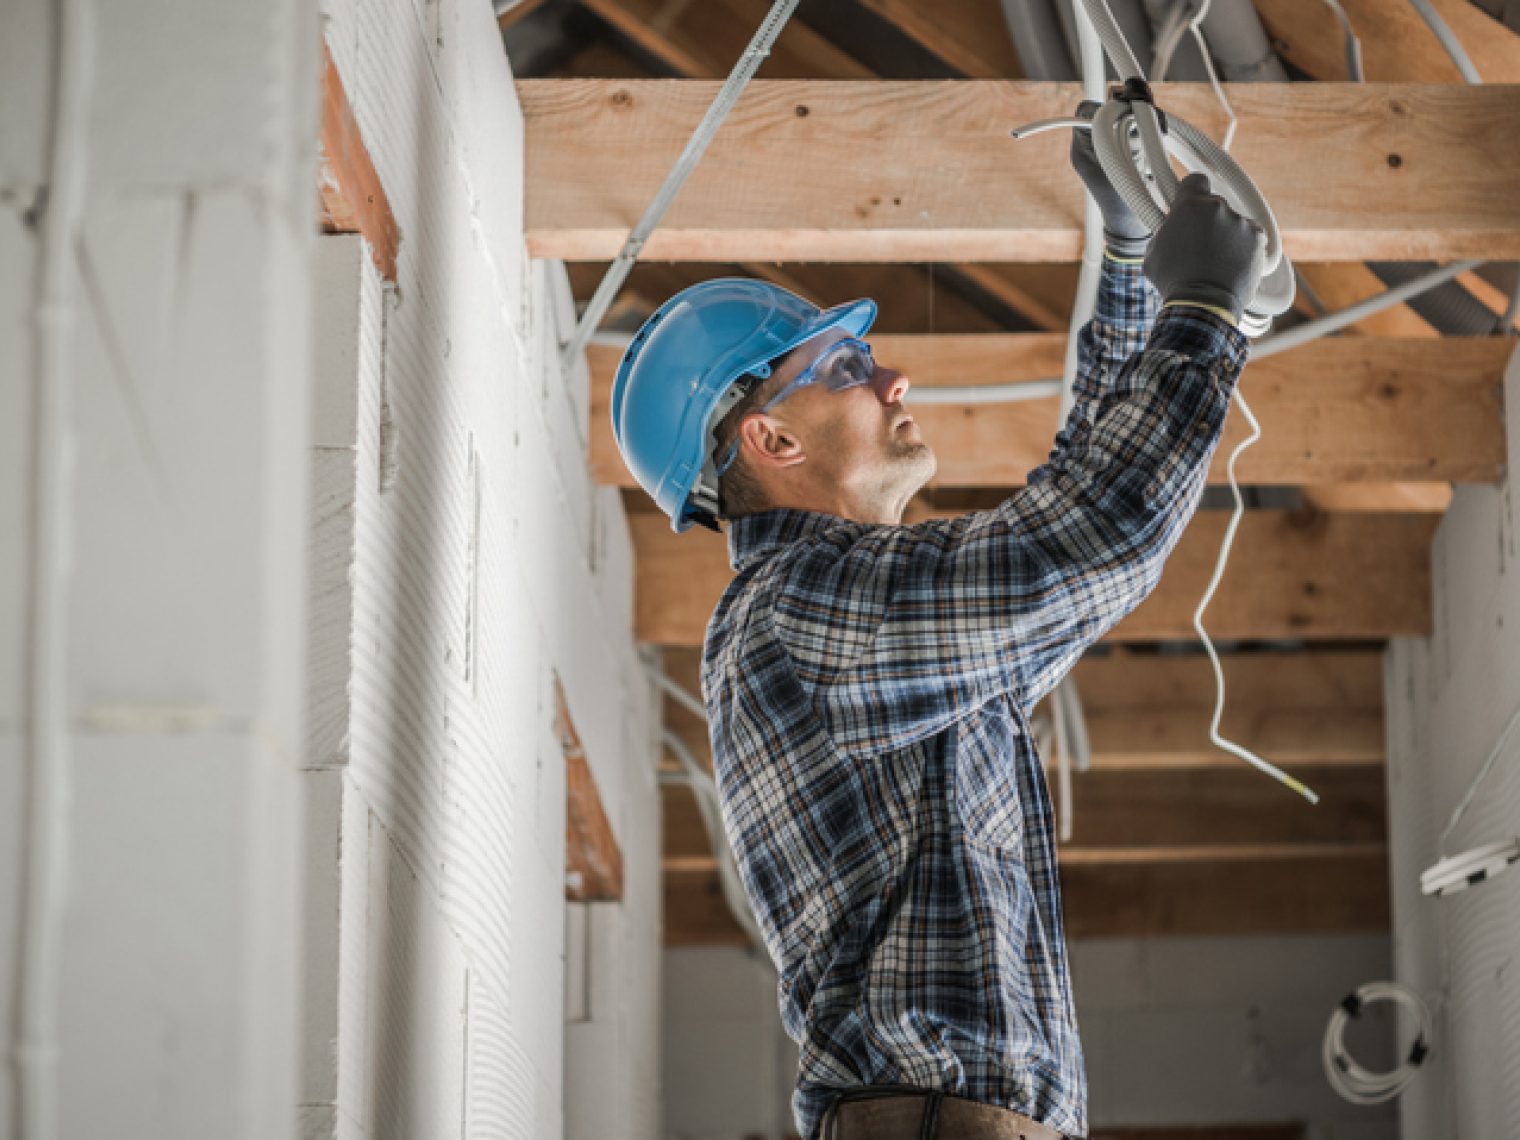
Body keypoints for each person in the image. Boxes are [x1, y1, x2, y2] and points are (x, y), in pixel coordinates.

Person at [611, 102, 1266, 1140]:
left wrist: (1136, 265)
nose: (889, 376)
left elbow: (1074, 499)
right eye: (840, 368)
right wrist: (1201, 319)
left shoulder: (855, 622)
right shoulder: (799, 613)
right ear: (770, 437)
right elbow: (1094, 537)